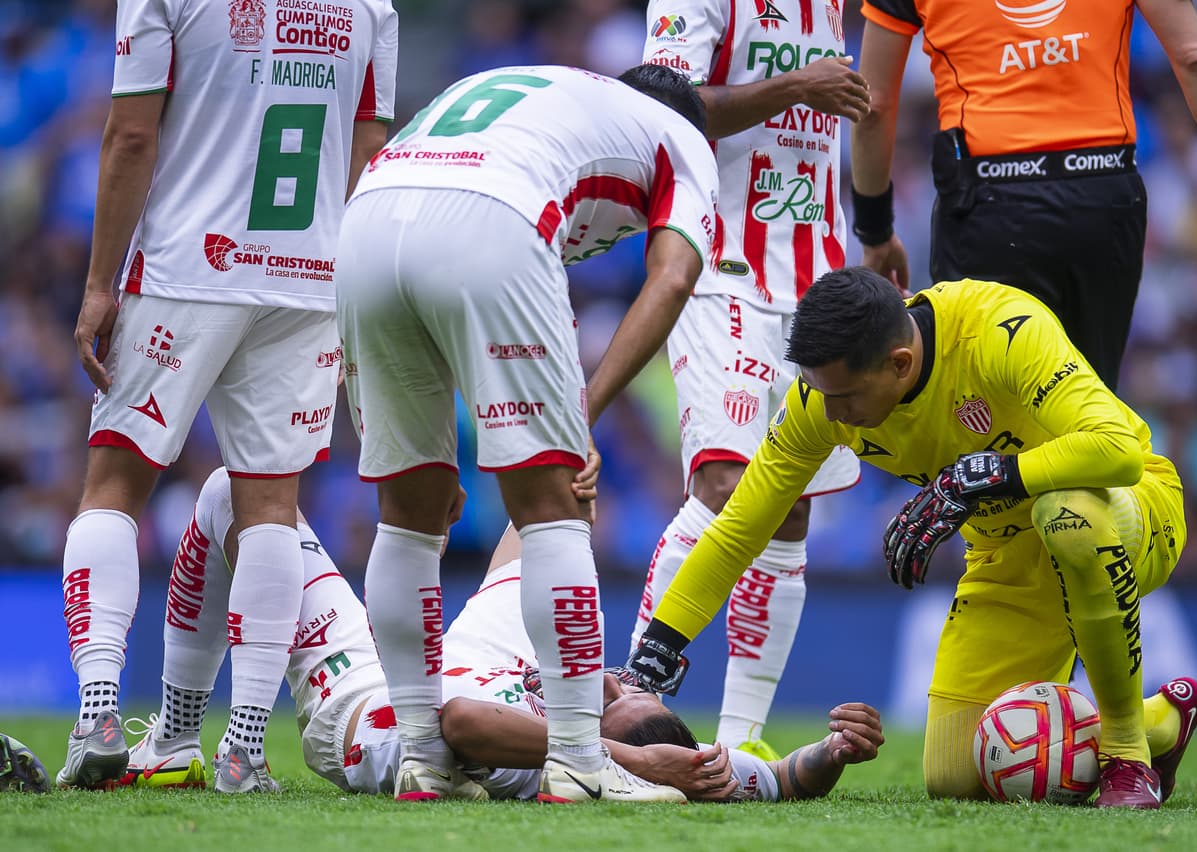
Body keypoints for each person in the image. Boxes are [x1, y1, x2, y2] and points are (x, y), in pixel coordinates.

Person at [628, 267, 1197, 809]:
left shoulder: (1002, 330)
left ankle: (1129, 755)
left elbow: (1118, 450)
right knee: (956, 776)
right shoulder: (820, 401)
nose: (833, 413)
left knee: (1067, 513)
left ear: (901, 364)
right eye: (821, 393)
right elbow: (737, 531)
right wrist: (658, 647)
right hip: (1008, 554)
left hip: (1129, 514)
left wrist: (983, 476)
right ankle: (1163, 720)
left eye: (847, 398)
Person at [334, 63, 719, 803]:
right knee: (556, 508)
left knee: (409, 517)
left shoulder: (542, 90)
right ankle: (578, 760)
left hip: (368, 219)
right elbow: (670, 280)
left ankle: (423, 760)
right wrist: (583, 417)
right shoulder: (683, 139)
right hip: (492, 219)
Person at [59, 0, 397, 792]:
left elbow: (132, 133)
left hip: (185, 267)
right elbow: (370, 143)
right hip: (309, 276)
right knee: (270, 510)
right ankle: (243, 749)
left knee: (113, 486)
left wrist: (99, 282)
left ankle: (101, 713)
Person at [124, 468, 885, 802]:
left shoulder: (550, 756)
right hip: (483, 658)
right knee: (559, 516)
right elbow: (782, 780)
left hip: (361, 706)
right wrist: (833, 751)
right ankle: (177, 741)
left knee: (235, 493)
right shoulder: (571, 687)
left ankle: (215, 741)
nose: (598, 692)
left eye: (596, 710)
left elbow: (458, 721)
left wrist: (616, 754)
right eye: (605, 693)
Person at [630, 0, 871, 757]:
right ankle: (632, 704)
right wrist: (797, 86)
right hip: (717, 265)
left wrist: (874, 232)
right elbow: (658, 106)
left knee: (793, 509)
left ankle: (742, 740)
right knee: (729, 487)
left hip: (816, 278)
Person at [849, 0, 1197, 389]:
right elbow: (1195, 58)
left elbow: (874, 105)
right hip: (1102, 201)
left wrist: (875, 231)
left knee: (987, 419)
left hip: (988, 209)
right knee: (1090, 411)